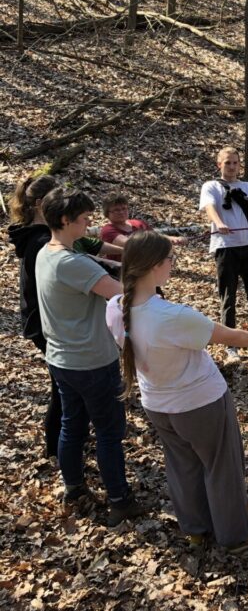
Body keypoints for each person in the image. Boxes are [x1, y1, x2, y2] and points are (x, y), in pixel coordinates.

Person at [106, 231, 248, 551]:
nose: (173, 265)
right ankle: (234, 535)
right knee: (222, 466)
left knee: (182, 464)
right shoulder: (172, 316)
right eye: (169, 260)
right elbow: (229, 335)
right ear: (154, 267)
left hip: (158, 405)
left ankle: (196, 528)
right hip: (199, 403)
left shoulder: (115, 306)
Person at [35, 188, 141, 525]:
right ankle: (120, 500)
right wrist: (145, 270)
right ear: (64, 220)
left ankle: (74, 486)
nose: (88, 223)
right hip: (91, 362)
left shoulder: (46, 252)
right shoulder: (73, 262)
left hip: (62, 359)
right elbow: (124, 294)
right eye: (83, 219)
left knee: (72, 423)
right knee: (109, 432)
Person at [8, 175, 123, 456]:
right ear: (42, 206)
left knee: (69, 397)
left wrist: (125, 254)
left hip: (56, 322)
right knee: (65, 399)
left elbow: (88, 250)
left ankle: (68, 447)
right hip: (51, 323)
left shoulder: (51, 239)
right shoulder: (39, 242)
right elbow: (80, 268)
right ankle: (57, 449)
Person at [199, 146, 248, 360]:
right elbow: (209, 208)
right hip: (225, 247)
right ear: (219, 165)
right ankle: (230, 344)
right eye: (228, 163)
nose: (232, 167)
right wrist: (219, 223)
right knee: (228, 296)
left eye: (235, 162)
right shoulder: (211, 186)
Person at [98, 193, 187, 259]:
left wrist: (172, 239)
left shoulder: (138, 223)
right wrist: (162, 241)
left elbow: (154, 236)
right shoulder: (108, 230)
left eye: (124, 208)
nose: (121, 212)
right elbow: (131, 244)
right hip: (121, 271)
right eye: (116, 210)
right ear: (107, 213)